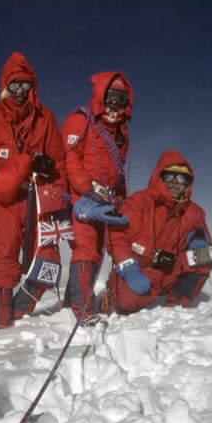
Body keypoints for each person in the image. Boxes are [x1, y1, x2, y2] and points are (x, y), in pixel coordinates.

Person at [0, 52, 67, 327]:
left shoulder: (46, 118)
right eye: (14, 86)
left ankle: (21, 310)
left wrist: (55, 191)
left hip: (39, 199)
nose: (20, 92)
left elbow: (61, 163)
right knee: (3, 265)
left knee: (47, 259)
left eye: (25, 86)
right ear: (5, 86)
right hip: (2, 203)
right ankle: (4, 325)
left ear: (33, 87)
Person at [105, 149, 212, 314]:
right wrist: (129, 270)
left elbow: (203, 244)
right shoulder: (139, 202)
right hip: (139, 272)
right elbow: (117, 237)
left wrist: (199, 241)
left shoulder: (195, 213)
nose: (174, 182)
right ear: (159, 176)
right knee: (127, 301)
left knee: (204, 256)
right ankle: (113, 299)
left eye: (181, 177)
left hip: (171, 274)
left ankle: (177, 301)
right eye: (168, 176)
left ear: (188, 182)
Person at [61, 72, 133, 321]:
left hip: (108, 200)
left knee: (102, 249)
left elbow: (119, 171)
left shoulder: (120, 133)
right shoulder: (79, 121)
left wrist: (122, 197)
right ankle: (82, 309)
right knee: (86, 248)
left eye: (120, 97)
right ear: (101, 95)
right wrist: (89, 191)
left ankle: (73, 298)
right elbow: (71, 160)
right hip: (82, 197)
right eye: (110, 96)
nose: (115, 103)